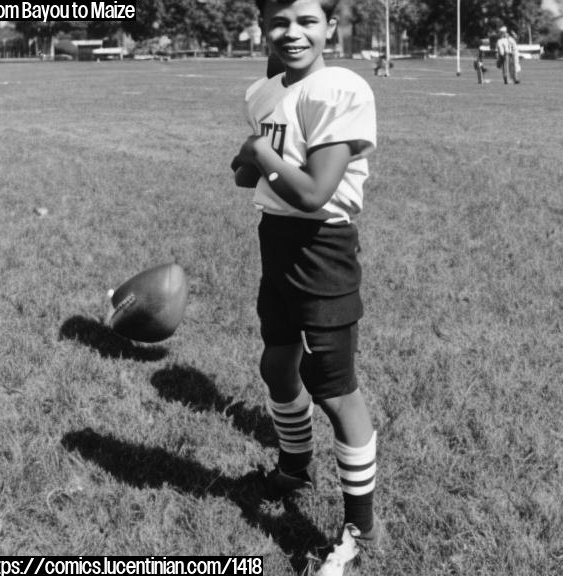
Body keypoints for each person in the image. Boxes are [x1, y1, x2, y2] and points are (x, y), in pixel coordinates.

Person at [231, 0, 381, 572]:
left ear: (330, 29)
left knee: (333, 386)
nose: (292, 33)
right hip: (276, 241)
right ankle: (295, 467)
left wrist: (258, 153)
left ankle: (358, 528)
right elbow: (258, 171)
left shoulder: (340, 88)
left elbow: (316, 192)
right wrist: (250, 159)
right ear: (262, 27)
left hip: (322, 248)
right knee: (277, 365)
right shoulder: (263, 93)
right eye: (279, 22)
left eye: (307, 21)